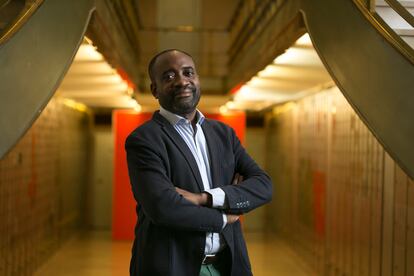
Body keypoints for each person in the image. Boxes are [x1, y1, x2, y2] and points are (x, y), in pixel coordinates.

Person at [125, 49, 272, 276]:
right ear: (155, 89)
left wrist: (205, 198)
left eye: (188, 73)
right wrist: (224, 217)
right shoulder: (144, 140)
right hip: (173, 267)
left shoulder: (223, 134)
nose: (182, 81)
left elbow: (263, 186)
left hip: (228, 265)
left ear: (197, 79)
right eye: (169, 76)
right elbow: (163, 207)